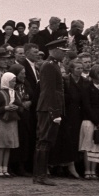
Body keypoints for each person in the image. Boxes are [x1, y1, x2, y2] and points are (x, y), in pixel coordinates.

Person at [32, 37, 68, 186]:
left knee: (45, 141)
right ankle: (40, 175)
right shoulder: (49, 66)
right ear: (55, 51)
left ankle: (40, 174)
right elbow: (49, 91)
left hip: (49, 108)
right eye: (62, 51)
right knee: (44, 141)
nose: (64, 54)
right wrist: (54, 112)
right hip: (48, 108)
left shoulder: (52, 65)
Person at [79, 63, 99, 178]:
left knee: (98, 147)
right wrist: (97, 121)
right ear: (95, 75)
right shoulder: (86, 87)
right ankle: (87, 170)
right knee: (89, 147)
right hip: (90, 120)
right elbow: (86, 106)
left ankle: (94, 170)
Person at [0, 71, 21, 177]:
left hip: (12, 121)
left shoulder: (15, 93)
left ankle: (5, 168)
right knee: (1, 146)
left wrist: (17, 107)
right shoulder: (0, 93)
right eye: (12, 81)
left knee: (8, 145)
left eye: (14, 81)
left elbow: (20, 106)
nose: (14, 83)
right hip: (2, 121)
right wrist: (5, 108)